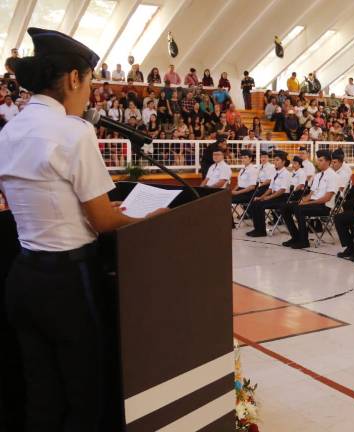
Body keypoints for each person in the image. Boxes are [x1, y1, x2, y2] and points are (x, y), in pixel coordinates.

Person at [0, 27, 167, 430]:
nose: (89, 94)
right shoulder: (74, 131)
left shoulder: (8, 132)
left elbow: (46, 198)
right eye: (89, 82)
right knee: (83, 392)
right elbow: (104, 221)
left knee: (41, 390)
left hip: (23, 277)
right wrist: (146, 221)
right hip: (68, 282)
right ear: (74, 78)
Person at [281, 150, 339, 249]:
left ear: (328, 162)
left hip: (324, 206)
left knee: (299, 209)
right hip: (313, 203)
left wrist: (306, 204)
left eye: (321, 160)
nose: (318, 162)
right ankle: (295, 237)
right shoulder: (317, 175)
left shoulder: (333, 176)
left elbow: (327, 198)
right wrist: (303, 200)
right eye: (318, 160)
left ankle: (304, 241)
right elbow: (311, 193)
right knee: (285, 207)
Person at [245, 151, 291, 237]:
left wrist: (268, 198)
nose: (275, 162)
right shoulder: (275, 173)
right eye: (274, 160)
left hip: (282, 198)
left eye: (277, 160)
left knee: (260, 205)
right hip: (274, 196)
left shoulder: (286, 174)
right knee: (255, 202)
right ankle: (257, 229)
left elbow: (281, 190)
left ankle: (261, 231)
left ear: (283, 162)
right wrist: (261, 197)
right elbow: (270, 188)